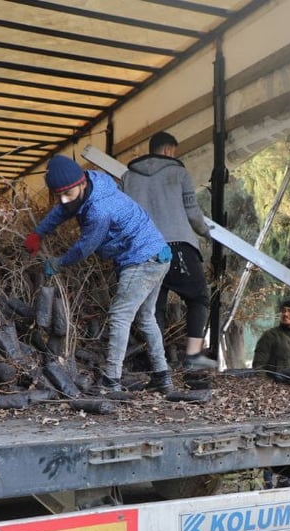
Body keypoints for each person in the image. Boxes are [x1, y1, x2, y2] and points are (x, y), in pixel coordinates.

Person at [25, 155, 173, 393]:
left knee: (119, 316)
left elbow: (85, 247)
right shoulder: (91, 182)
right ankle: (162, 376)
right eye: (59, 195)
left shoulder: (99, 211)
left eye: (68, 194)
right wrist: (38, 233)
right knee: (146, 318)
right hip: (157, 253)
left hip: (142, 259)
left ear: (82, 183)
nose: (63, 200)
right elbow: (64, 208)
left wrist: (59, 262)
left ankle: (111, 380)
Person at [121, 131, 217, 370]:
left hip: (143, 251)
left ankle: (158, 362)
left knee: (154, 307)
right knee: (199, 298)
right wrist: (207, 232)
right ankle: (193, 357)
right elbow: (192, 212)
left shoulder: (127, 177)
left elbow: (123, 217)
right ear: (167, 151)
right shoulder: (179, 173)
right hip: (177, 246)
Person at [251, 298, 290, 376]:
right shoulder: (270, 336)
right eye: (283, 310)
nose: (285, 314)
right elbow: (258, 366)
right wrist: (268, 385)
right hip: (276, 386)